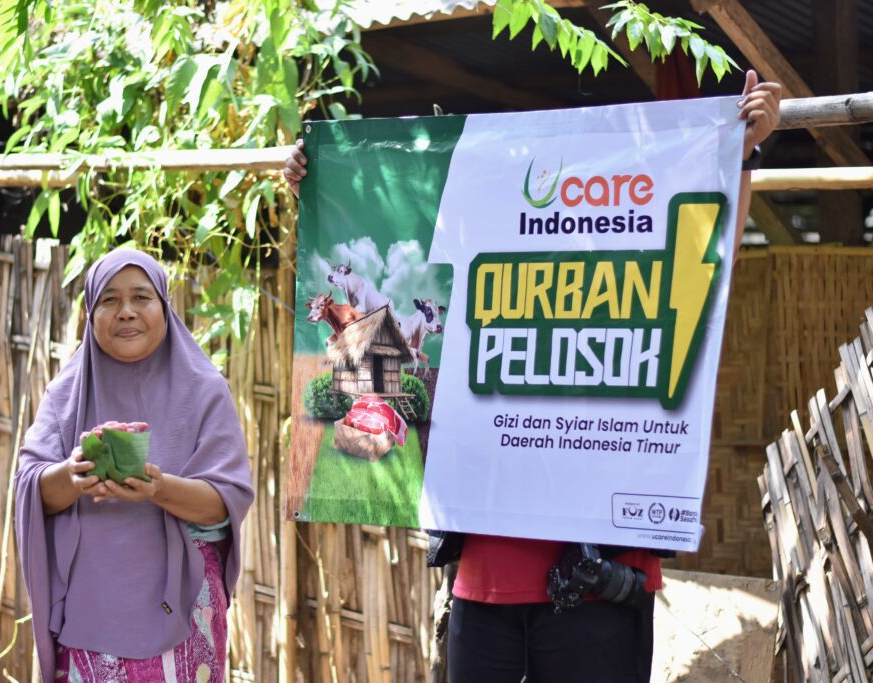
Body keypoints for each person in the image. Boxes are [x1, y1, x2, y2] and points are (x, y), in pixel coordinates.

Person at [284, 70, 781, 682]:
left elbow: (706, 263)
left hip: (598, 581)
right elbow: (376, 247)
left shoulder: (634, 284)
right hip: (484, 581)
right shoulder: (478, 284)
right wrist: (321, 185)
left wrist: (740, 154)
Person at [15, 248, 254, 682]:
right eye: (109, 300)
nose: (126, 311)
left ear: (164, 307)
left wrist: (158, 488)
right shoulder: (65, 395)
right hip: (91, 609)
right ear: (90, 314)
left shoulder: (205, 390)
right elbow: (31, 487)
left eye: (141, 297)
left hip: (183, 608)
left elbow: (225, 500)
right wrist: (73, 474)